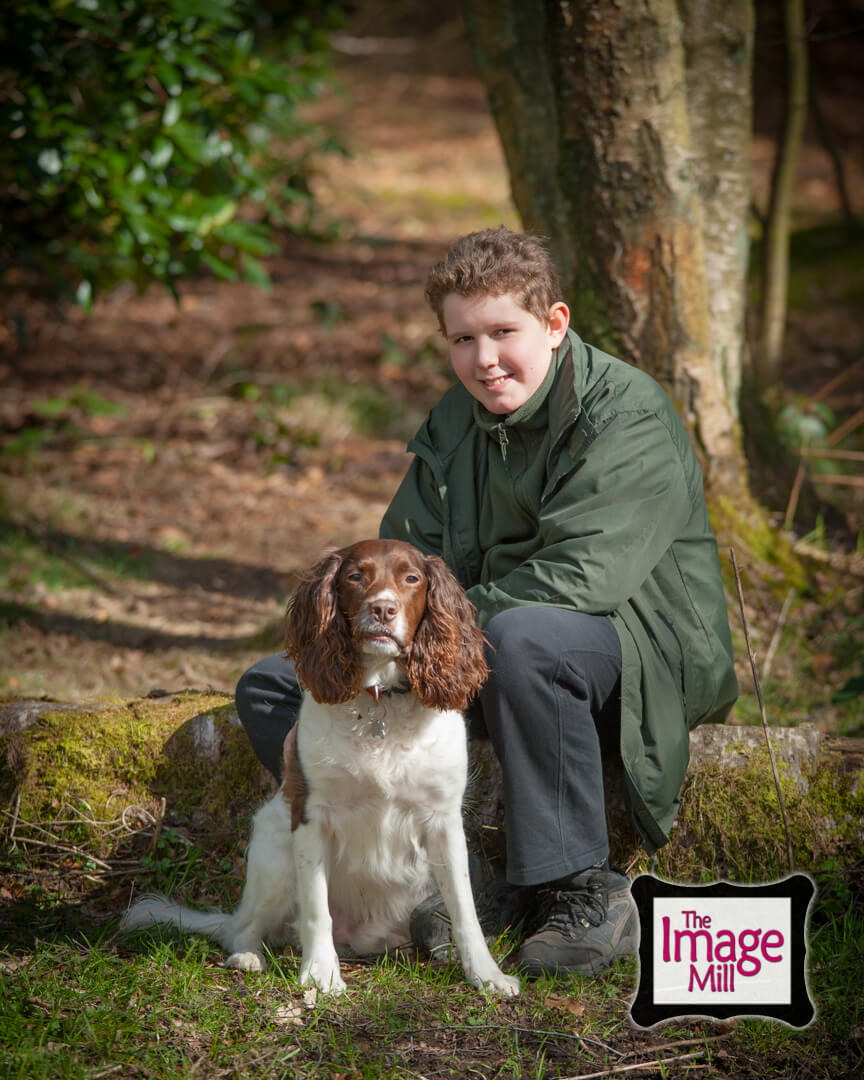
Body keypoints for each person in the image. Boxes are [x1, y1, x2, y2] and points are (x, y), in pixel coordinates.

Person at [236, 227, 738, 977]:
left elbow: (584, 578)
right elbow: (400, 558)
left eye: (505, 332)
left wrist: (436, 630)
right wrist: (394, 633)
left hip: (635, 650)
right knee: (281, 683)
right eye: (463, 338)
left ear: (556, 323)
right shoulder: (453, 418)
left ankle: (582, 888)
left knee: (527, 638)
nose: (484, 359)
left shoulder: (625, 412)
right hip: (485, 643)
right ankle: (460, 876)